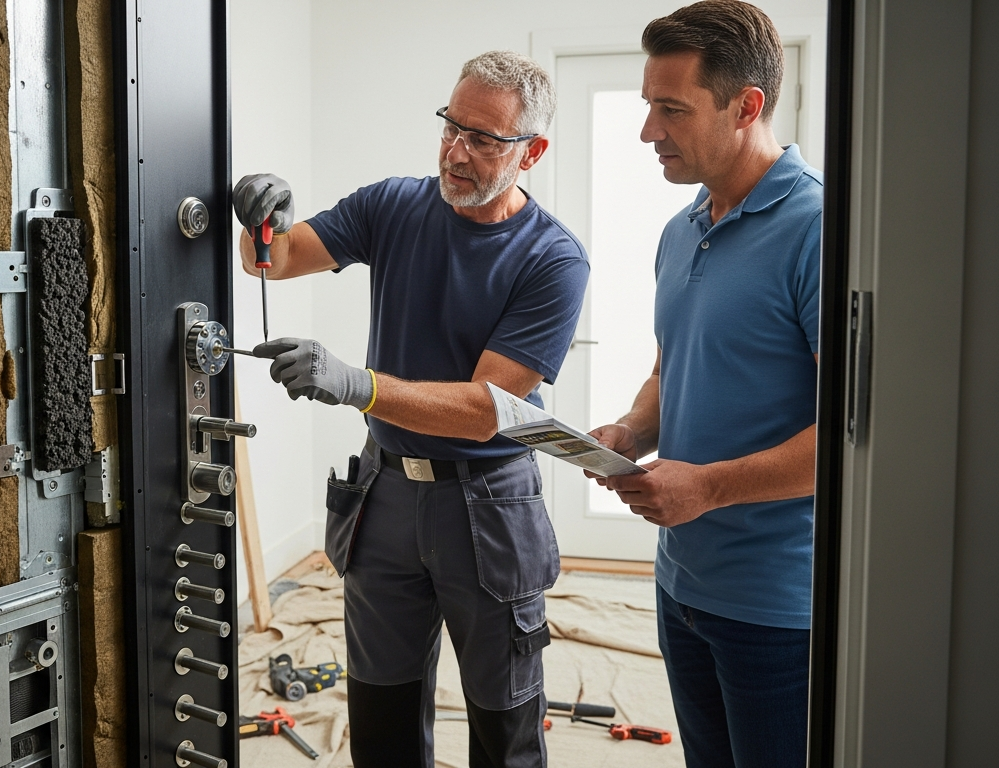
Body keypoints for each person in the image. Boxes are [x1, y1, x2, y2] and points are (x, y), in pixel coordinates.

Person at [233, 51, 588, 768]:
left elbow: (487, 410)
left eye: (483, 139)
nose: (456, 152)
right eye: (451, 126)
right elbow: (274, 259)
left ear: (532, 152)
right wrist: (262, 221)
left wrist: (357, 385)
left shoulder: (553, 260)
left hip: (488, 506)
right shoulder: (393, 205)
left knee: (506, 732)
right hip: (385, 495)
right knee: (381, 721)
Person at [588, 3, 822, 767]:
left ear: (746, 107)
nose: (648, 131)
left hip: (777, 608)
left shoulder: (821, 228)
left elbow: (859, 439)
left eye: (672, 110)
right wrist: (631, 430)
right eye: (648, 106)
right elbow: (671, 368)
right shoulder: (681, 227)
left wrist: (709, 488)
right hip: (680, 585)